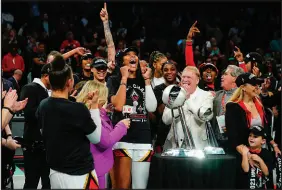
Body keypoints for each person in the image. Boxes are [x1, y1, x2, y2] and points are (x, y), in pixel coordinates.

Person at [36, 55, 101, 189]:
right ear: (69, 82)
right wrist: (94, 107)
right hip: (79, 175)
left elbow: (44, 132)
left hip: (55, 173)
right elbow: (96, 138)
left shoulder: (43, 105)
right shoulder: (78, 109)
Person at [107, 46, 157, 189]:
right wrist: (124, 77)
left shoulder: (144, 80)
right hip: (122, 139)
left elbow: (152, 107)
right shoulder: (114, 80)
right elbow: (117, 105)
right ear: (121, 61)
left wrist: (147, 80)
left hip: (143, 139)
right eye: (128, 55)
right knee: (122, 187)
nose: (132, 57)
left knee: (140, 187)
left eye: (135, 54)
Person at [225, 73, 281, 188]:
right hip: (243, 153)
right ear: (243, 87)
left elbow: (264, 129)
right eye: (253, 84)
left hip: (261, 150)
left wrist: (274, 145)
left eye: (258, 84)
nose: (257, 87)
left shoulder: (259, 103)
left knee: (266, 182)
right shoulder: (233, 107)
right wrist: (247, 154)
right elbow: (233, 137)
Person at [76, 80, 130, 188]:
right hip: (93, 168)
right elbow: (105, 141)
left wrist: (103, 111)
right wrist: (121, 126)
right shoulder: (92, 115)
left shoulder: (82, 110)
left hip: (89, 166)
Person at [162, 66, 214, 150]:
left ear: (197, 80)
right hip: (175, 145)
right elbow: (166, 120)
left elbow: (204, 117)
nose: (185, 79)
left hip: (198, 145)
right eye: (183, 77)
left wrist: (187, 99)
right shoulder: (173, 93)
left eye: (189, 77)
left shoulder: (206, 95)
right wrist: (180, 99)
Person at [20, 64, 51, 189]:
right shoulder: (30, 88)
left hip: (47, 147)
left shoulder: (48, 91)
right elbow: (29, 113)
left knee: (48, 184)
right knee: (31, 183)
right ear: (46, 76)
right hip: (33, 146)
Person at [212, 65, 244, 151]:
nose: (222, 76)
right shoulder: (217, 95)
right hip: (216, 142)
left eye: (226, 74)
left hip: (235, 143)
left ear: (235, 78)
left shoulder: (242, 97)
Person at [153, 61, 178, 152]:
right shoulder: (158, 89)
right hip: (163, 130)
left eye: (172, 69)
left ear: (177, 71)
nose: (169, 72)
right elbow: (161, 111)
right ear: (162, 72)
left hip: (179, 128)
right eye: (165, 70)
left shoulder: (182, 88)